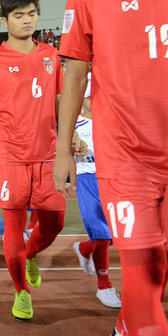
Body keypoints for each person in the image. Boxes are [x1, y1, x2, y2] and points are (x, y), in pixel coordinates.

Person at [54, 0, 168, 336]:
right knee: (144, 283)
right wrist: (62, 148)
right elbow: (74, 78)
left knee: (164, 262)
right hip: (125, 160)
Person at [0, 0, 64, 322]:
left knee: (55, 220)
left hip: (48, 153)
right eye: (19, 15)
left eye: (31, 14)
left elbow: (59, 102)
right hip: (8, 156)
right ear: (4, 19)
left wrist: (71, 136)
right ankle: (21, 291)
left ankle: (32, 252)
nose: (27, 20)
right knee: (12, 225)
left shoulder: (51, 54)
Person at [71, 76, 122, 309]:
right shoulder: (75, 125)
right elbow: (65, 149)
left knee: (112, 235)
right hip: (89, 180)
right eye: (93, 96)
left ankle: (84, 248)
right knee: (102, 235)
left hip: (114, 179)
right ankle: (104, 285)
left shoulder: (113, 121)